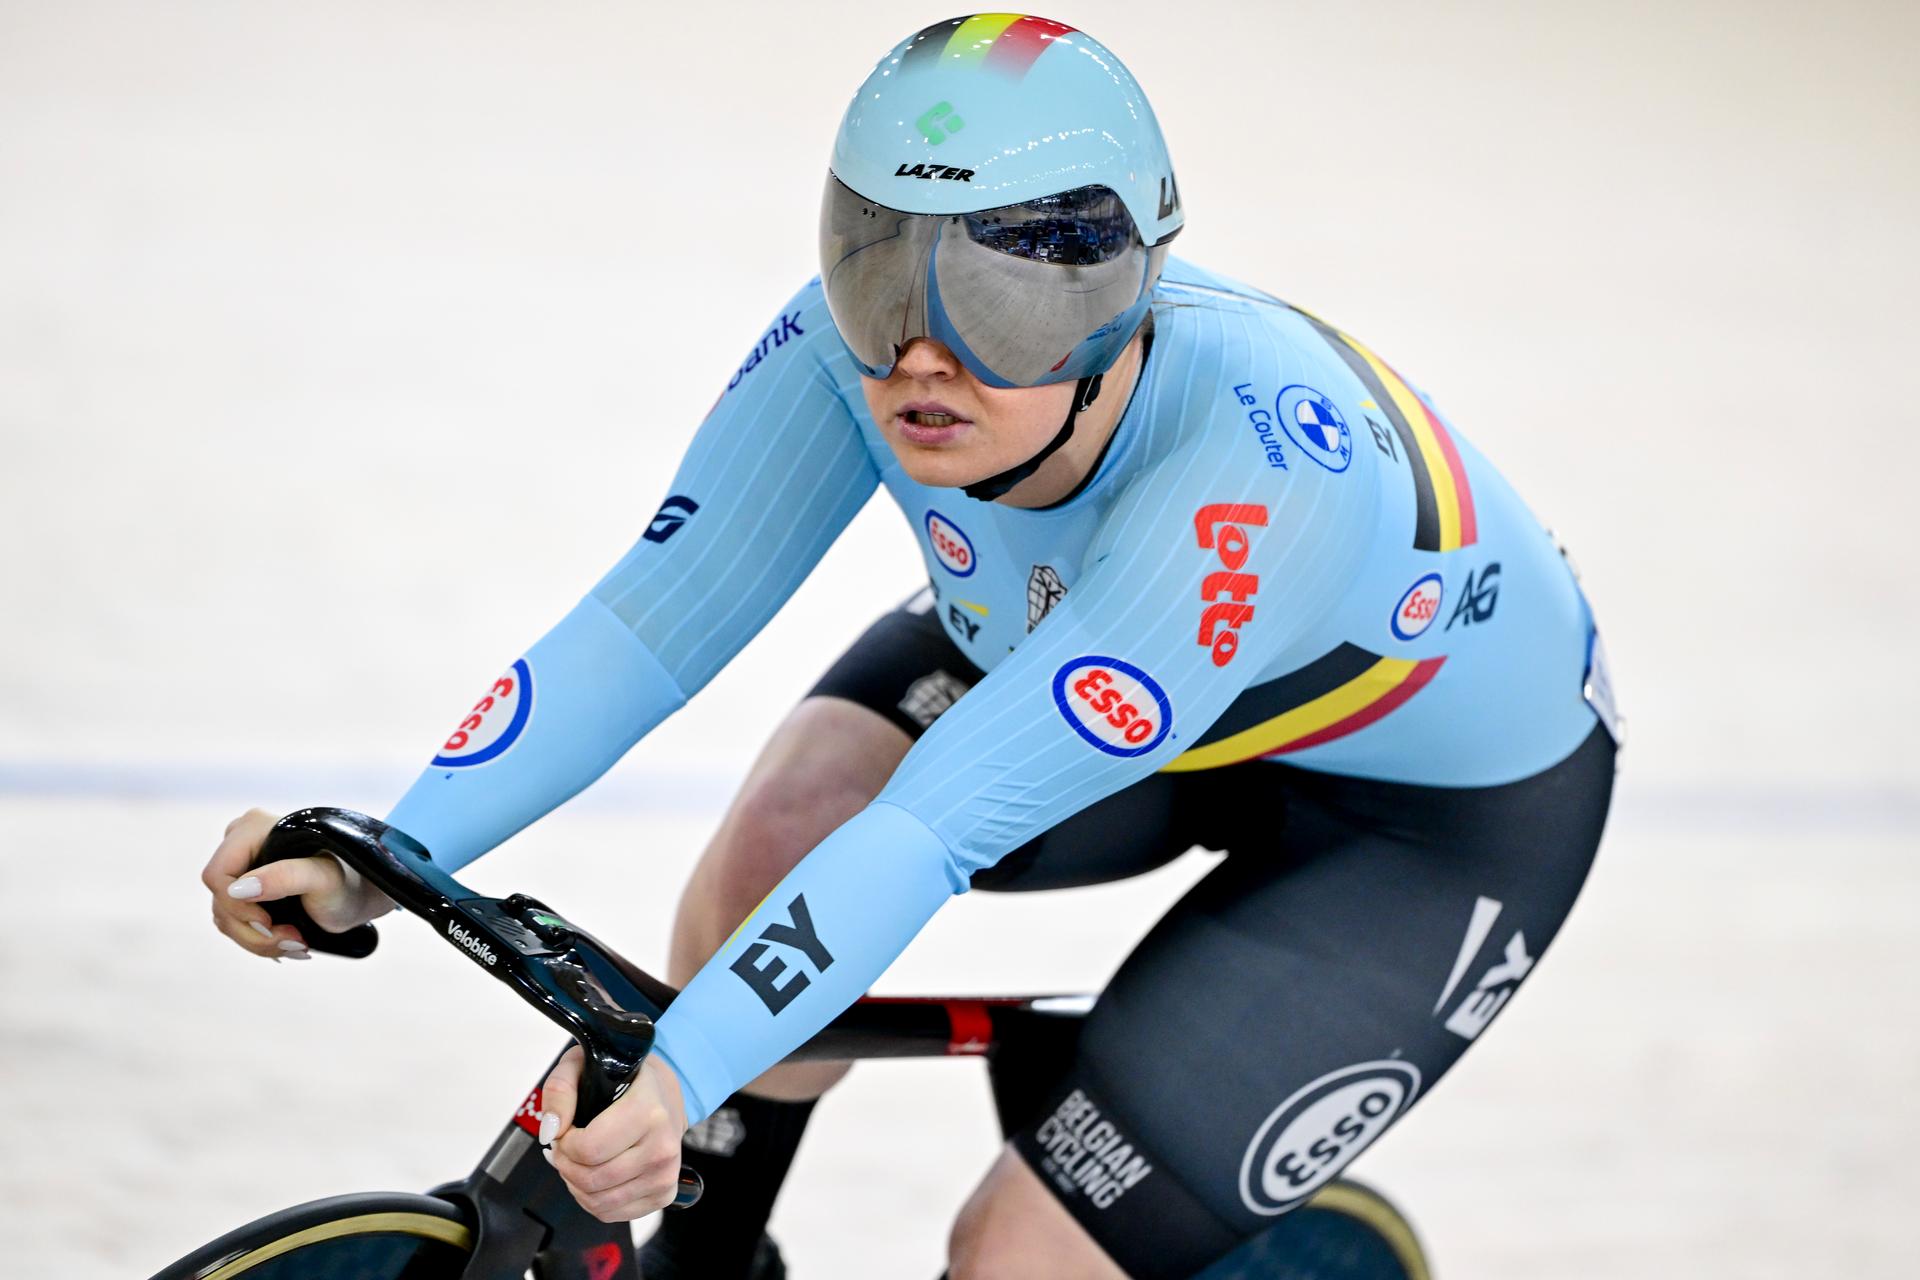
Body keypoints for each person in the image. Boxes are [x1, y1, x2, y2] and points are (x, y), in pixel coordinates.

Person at [199, 14, 1621, 1279]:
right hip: (1115, 675)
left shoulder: (1251, 481)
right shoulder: (849, 352)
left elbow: (937, 824)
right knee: (785, 827)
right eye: (886, 274)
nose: (923, 359)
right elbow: (644, 628)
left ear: (1125, 292)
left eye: (1003, 302)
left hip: (1421, 831)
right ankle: (711, 1253)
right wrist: (389, 849)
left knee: (1014, 1257)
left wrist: (688, 1066)